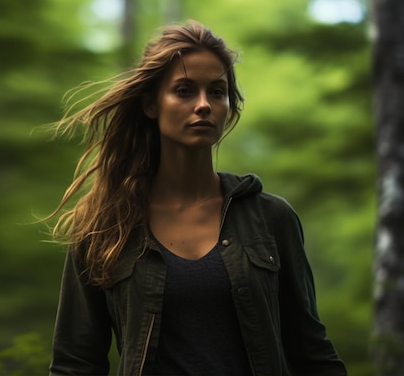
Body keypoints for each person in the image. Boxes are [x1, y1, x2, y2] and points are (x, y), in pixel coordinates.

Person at [46, 20, 347, 376]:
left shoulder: (270, 218)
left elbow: (312, 354)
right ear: (151, 105)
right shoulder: (104, 224)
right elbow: (75, 364)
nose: (204, 105)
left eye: (217, 92)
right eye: (185, 91)